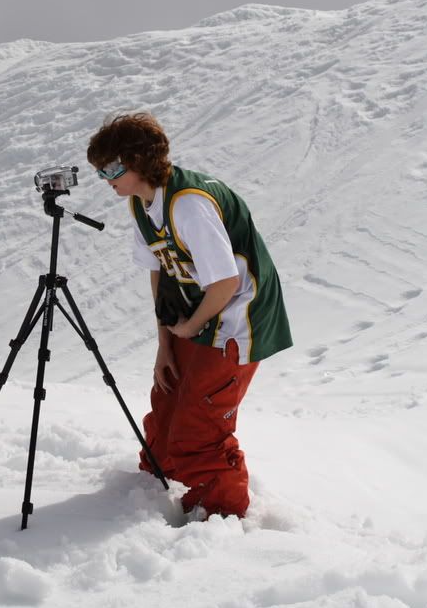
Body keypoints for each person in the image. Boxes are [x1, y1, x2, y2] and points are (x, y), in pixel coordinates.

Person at [87, 112, 292, 520]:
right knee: (166, 404)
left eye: (110, 168)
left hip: (236, 320)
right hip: (193, 311)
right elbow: (159, 270)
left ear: (138, 161)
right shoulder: (141, 203)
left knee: (200, 426)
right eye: (100, 170)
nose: (104, 178)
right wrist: (166, 343)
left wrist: (191, 326)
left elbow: (225, 283)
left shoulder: (190, 205)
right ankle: (152, 489)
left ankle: (220, 519)